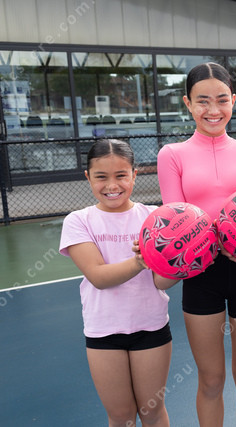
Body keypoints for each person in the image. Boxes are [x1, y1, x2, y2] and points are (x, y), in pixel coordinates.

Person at [156, 62, 236, 426]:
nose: (213, 110)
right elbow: (177, 224)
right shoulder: (171, 155)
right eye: (202, 101)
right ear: (187, 103)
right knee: (211, 380)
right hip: (200, 275)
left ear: (233, 100)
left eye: (221, 99)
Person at [59, 139, 176, 426]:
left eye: (121, 175)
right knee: (121, 416)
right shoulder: (78, 221)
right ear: (88, 177)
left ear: (134, 175)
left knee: (152, 412)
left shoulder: (154, 217)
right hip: (104, 332)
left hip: (151, 327)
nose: (112, 185)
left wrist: (183, 263)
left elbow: (161, 282)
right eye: (101, 177)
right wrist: (140, 261)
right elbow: (98, 277)